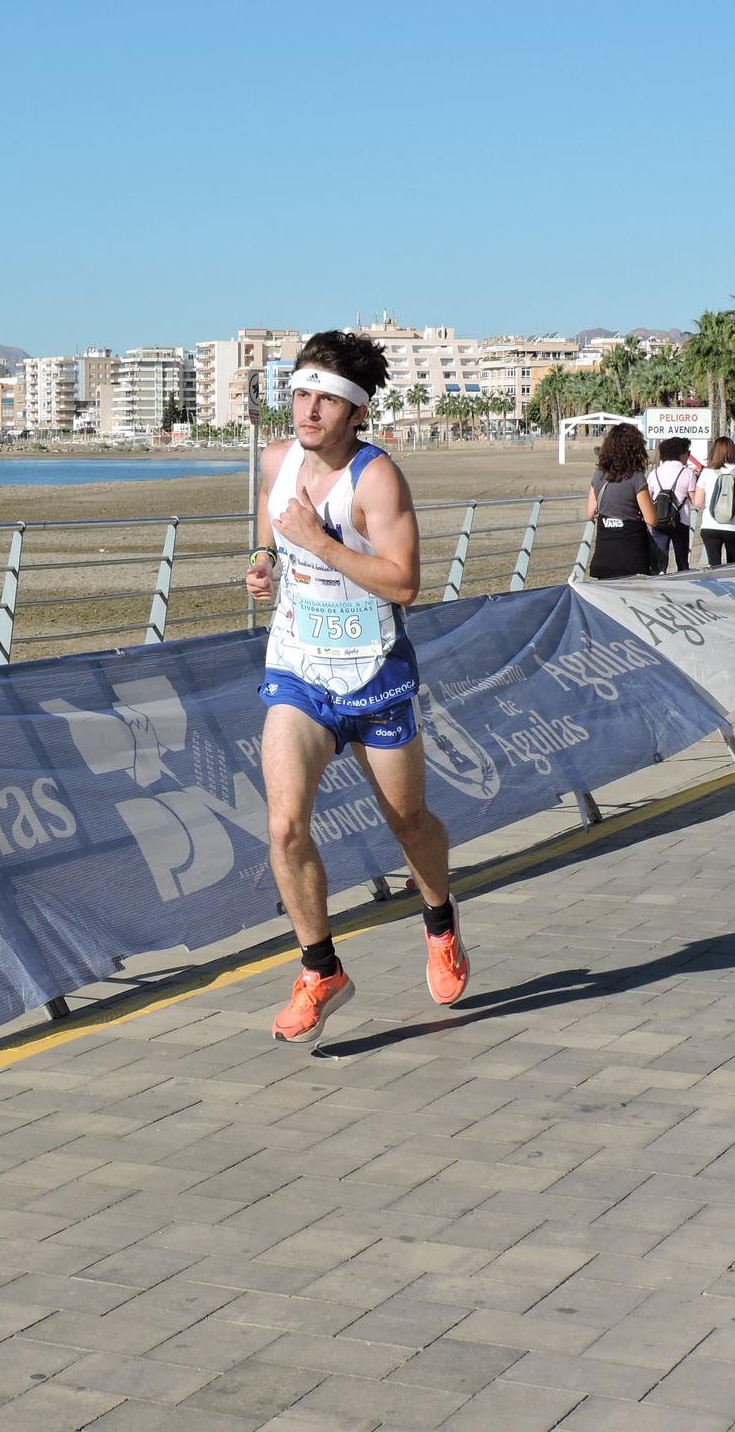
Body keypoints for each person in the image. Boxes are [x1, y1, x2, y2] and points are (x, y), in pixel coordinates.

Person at [243, 330, 467, 1045]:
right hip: (298, 669)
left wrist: (322, 545)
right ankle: (320, 969)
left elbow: (404, 583)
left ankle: (438, 918)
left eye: (326, 400)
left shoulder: (377, 480)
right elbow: (272, 522)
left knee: (408, 823)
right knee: (283, 825)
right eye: (301, 393)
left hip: (374, 673)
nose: (308, 411)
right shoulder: (278, 461)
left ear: (357, 411)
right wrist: (262, 558)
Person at [583, 422, 658, 580]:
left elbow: (590, 513)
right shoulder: (636, 478)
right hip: (632, 557)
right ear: (636, 449)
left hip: (605, 556)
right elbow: (651, 520)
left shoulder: (599, 475)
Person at [694, 435, 735, 564]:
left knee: (714, 565)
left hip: (710, 526)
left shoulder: (706, 473)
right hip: (734, 527)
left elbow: (698, 502)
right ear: (732, 451)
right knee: (733, 566)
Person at [645, 437, 698, 573]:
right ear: (681, 453)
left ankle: (661, 586)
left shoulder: (654, 473)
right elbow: (695, 501)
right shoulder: (688, 473)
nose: (688, 456)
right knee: (682, 561)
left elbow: (648, 499)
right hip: (681, 522)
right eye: (688, 452)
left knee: (659, 562)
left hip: (658, 520)